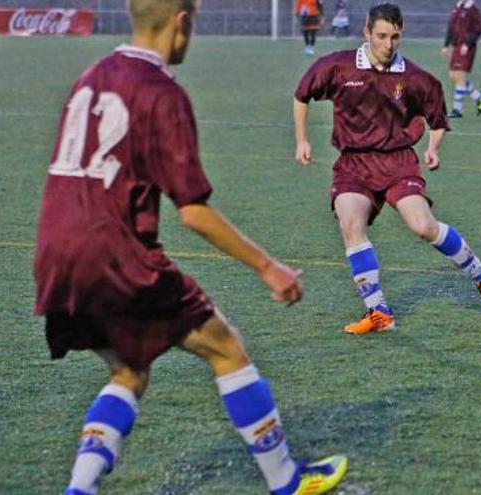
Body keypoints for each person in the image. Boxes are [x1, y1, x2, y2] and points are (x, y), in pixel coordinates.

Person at [34, 0, 348, 493]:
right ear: (182, 23)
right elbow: (193, 211)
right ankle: (286, 480)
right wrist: (268, 268)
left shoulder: (91, 75)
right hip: (115, 253)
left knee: (129, 368)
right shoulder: (161, 91)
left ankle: (80, 487)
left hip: (55, 253)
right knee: (225, 347)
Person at [293, 3, 481, 335]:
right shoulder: (337, 67)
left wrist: (433, 148)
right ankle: (379, 312)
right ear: (366, 33)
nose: (388, 44)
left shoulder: (417, 79)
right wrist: (302, 140)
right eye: (381, 36)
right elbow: (301, 95)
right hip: (354, 164)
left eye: (395, 36)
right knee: (351, 224)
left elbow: (438, 122)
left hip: (398, 162)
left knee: (423, 226)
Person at [441, 0, 481, 118]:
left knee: (460, 76)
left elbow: (478, 31)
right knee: (453, 75)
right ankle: (479, 98)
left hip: (467, 48)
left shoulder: (473, 10)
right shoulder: (457, 8)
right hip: (457, 46)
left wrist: (467, 44)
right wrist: (446, 45)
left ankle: (458, 110)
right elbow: (450, 27)